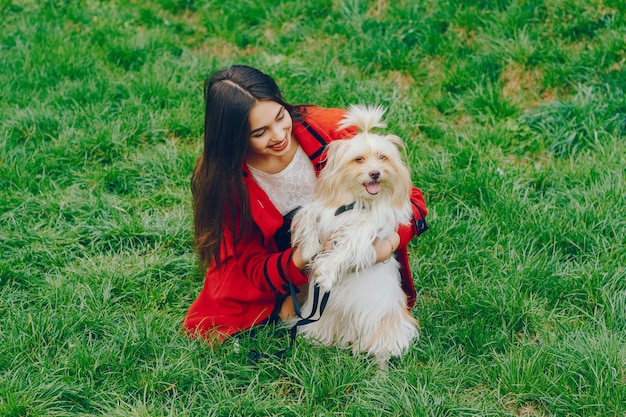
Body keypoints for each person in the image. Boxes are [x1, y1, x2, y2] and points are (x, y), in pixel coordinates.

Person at [183, 65, 428, 342]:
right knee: (262, 313)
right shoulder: (223, 178)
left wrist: (388, 246)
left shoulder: (330, 128)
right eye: (260, 132)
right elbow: (248, 264)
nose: (278, 135)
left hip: (359, 251)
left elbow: (411, 201)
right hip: (288, 262)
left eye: (279, 116)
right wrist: (304, 257)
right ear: (234, 137)